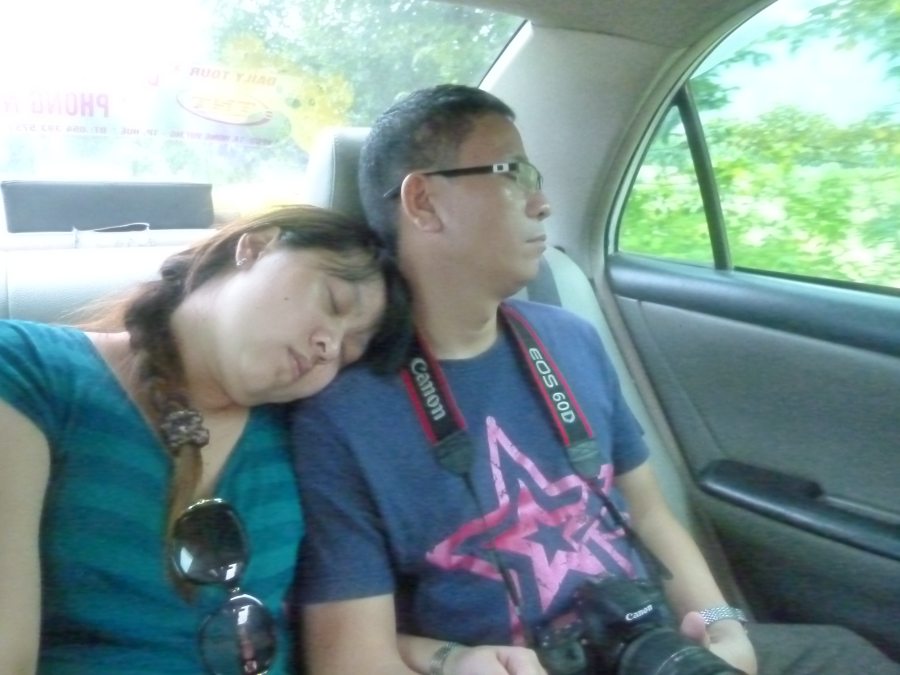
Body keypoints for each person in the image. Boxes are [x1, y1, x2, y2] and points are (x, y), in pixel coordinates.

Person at [290, 85, 900, 675]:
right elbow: (351, 660)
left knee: (846, 654)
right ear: (423, 202)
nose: (542, 203)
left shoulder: (569, 339)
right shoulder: (343, 416)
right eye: (513, 173)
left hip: (661, 649)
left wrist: (723, 627)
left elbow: (650, 514)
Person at [0, 204, 410, 675]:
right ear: (255, 247)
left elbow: (352, 631)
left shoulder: (309, 438)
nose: (329, 346)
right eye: (334, 302)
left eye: (348, 352)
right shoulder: (30, 370)